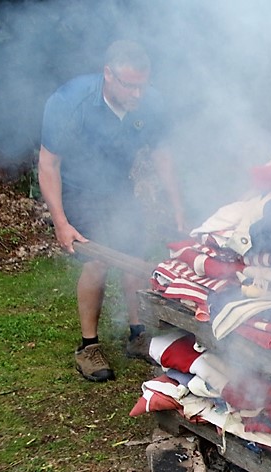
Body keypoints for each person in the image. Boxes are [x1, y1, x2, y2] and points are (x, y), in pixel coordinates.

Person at [38, 39, 184, 382]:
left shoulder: (150, 102)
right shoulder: (69, 101)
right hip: (77, 187)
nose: (137, 95)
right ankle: (88, 347)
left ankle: (137, 335)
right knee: (99, 261)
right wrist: (61, 221)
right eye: (129, 85)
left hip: (119, 186)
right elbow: (48, 164)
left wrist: (177, 208)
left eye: (142, 85)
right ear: (108, 74)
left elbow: (162, 154)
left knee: (133, 254)